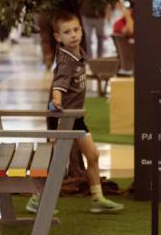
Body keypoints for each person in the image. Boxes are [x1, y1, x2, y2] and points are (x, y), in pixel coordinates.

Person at [26, 11, 124, 214]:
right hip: (63, 118)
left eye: (76, 29)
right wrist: (57, 102)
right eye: (67, 32)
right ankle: (37, 199)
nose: (73, 34)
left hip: (75, 117)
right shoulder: (66, 61)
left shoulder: (79, 52)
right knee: (56, 162)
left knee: (93, 155)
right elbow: (59, 85)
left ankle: (97, 198)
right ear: (58, 37)